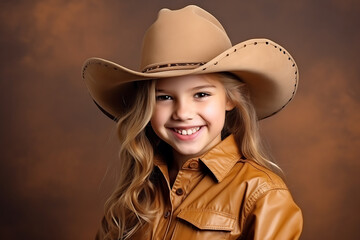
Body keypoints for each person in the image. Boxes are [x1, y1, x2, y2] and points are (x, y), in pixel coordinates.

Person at [82, 5, 303, 240]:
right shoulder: (136, 192)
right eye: (164, 97)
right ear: (147, 106)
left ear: (229, 98)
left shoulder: (262, 194)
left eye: (201, 94)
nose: (183, 113)